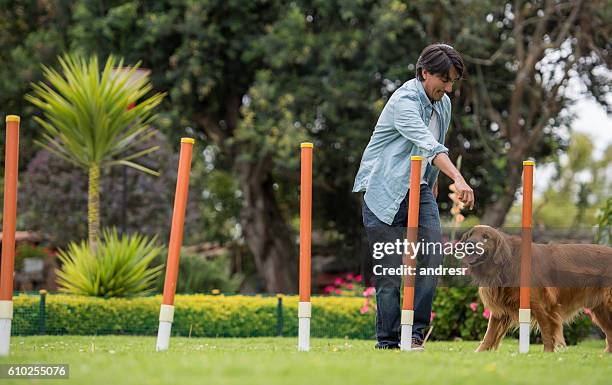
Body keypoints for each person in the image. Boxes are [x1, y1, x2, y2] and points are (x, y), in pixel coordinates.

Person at [352, 43, 475, 350]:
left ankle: (416, 333)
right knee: (391, 271)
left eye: (452, 82)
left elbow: (435, 144)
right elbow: (427, 144)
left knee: (433, 255)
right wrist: (458, 177)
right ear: (424, 73)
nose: (447, 87)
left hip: (419, 190)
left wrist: (431, 182)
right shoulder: (404, 100)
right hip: (384, 191)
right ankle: (389, 341)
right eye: (443, 80)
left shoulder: (443, 103)